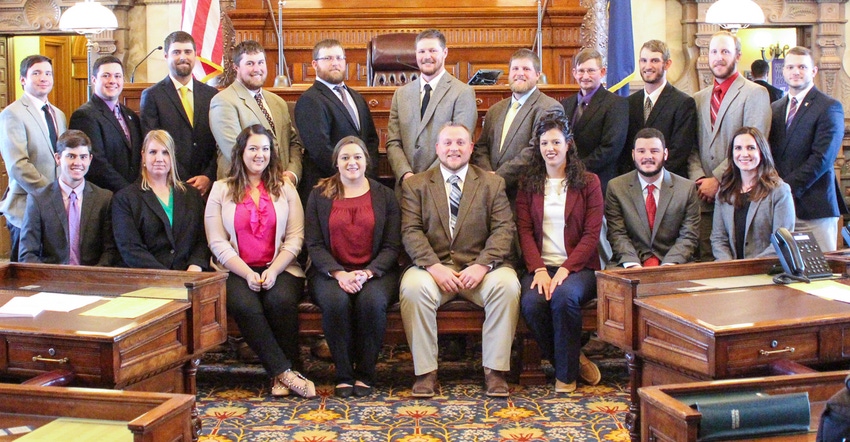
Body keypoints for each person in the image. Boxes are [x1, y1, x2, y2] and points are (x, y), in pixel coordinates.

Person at [399, 123, 519, 398]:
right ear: (437, 148)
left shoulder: (492, 183)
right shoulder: (416, 185)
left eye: (460, 143)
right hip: (433, 269)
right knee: (413, 288)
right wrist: (433, 266)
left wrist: (483, 264)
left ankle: (495, 371)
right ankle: (426, 372)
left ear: (471, 148)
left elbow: (504, 229)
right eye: (448, 143)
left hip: (480, 269)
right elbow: (411, 231)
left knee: (507, 286)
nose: (454, 148)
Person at [205, 125, 315, 398]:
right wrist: (246, 273)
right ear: (241, 152)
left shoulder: (286, 188)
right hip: (234, 269)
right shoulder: (221, 189)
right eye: (253, 148)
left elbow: (295, 237)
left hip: (281, 267)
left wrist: (274, 270)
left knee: (279, 301)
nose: (260, 155)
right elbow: (216, 241)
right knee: (246, 305)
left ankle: (282, 374)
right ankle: (285, 372)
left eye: (265, 149)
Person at [304, 136, 400, 398]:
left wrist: (368, 273)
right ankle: (344, 374)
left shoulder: (386, 197)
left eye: (357, 156)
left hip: (376, 272)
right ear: (336, 162)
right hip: (330, 272)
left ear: (367, 161)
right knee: (336, 302)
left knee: (371, 302)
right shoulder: (319, 195)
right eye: (345, 157)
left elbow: (392, 246)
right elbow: (313, 244)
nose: (351, 162)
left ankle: (366, 374)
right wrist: (339, 274)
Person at [516, 110, 603, 393]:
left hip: (579, 268)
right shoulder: (528, 183)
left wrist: (565, 269)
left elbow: (592, 234)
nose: (550, 149)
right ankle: (572, 359)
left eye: (555, 142)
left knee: (564, 298)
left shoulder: (590, 183)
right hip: (541, 266)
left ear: (568, 144)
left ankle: (565, 377)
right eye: (544, 144)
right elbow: (525, 231)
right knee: (531, 302)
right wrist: (539, 270)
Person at [689, 31, 771, 261]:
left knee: (738, 266)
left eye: (725, 51)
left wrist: (718, 179)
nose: (718, 57)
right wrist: (700, 180)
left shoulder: (755, 93)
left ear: (738, 55)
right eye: (713, 52)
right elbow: (692, 146)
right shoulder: (698, 98)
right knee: (707, 264)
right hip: (704, 199)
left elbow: (754, 143)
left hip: (739, 193)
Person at [769, 46, 846, 252]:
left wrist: (784, 189)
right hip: (781, 208)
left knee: (821, 273)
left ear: (813, 71)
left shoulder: (829, 106)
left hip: (814, 206)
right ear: (783, 71)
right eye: (791, 67)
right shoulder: (775, 108)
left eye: (802, 67)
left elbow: (822, 159)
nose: (796, 72)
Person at [386, 29, 477, 186]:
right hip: (406, 187)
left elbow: (459, 145)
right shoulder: (401, 94)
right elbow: (393, 142)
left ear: (445, 52)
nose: (427, 56)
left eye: (433, 50)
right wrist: (406, 174)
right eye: (421, 51)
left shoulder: (462, 92)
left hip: (443, 186)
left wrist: (426, 179)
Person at [294, 39, 379, 205]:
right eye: (328, 59)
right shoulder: (309, 100)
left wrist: (364, 175)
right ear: (314, 64)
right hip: (330, 190)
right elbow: (321, 150)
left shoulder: (356, 97)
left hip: (362, 186)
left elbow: (371, 139)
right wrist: (350, 176)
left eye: (339, 58)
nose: (335, 63)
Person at [0, 55, 67, 261]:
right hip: (26, 208)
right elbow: (19, 165)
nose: (43, 78)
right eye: (36, 73)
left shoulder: (59, 114)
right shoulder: (12, 113)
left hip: (55, 209)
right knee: (25, 276)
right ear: (23, 80)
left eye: (48, 73)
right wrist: (52, 194)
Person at [472, 48, 562, 200]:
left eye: (526, 69)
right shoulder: (495, 109)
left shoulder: (549, 108)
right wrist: (488, 176)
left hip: (525, 194)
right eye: (515, 68)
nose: (520, 73)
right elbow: (481, 147)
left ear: (537, 75)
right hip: (491, 193)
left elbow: (536, 150)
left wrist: (499, 177)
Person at [112, 130, 209, 271]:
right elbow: (130, 248)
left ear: (172, 157)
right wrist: (167, 277)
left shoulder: (191, 195)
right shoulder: (125, 199)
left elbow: (202, 238)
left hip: (191, 277)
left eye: (165, 152)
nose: (159, 158)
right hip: (148, 281)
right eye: (153, 152)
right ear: (143, 156)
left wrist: (196, 265)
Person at [210, 40, 302, 182]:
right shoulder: (223, 101)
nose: (257, 69)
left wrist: (291, 174)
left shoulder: (278, 102)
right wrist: (273, 178)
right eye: (250, 63)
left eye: (260, 62)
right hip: (243, 190)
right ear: (236, 67)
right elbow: (236, 152)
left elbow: (293, 143)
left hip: (283, 188)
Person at [606, 128, 700, 267]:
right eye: (641, 151)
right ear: (633, 154)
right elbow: (617, 234)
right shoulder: (616, 187)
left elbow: (688, 236)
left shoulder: (687, 188)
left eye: (654, 151)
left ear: (665, 154)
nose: (648, 156)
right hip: (631, 261)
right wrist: (633, 264)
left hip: (675, 262)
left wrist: (668, 266)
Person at [140, 31, 219, 197]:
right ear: (166, 56)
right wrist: (180, 178)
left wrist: (208, 176)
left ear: (195, 55)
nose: (183, 57)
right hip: (171, 185)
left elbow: (218, 142)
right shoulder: (152, 96)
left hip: (209, 186)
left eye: (188, 52)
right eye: (176, 52)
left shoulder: (211, 94)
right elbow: (153, 143)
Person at [20, 130, 116, 265]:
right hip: (51, 281)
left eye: (83, 157)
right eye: (71, 156)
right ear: (58, 158)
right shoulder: (38, 200)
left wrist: (91, 278)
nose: (78, 162)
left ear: (90, 159)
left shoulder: (104, 199)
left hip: (91, 280)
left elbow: (110, 251)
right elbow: (27, 254)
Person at [711, 127, 794, 260]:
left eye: (750, 148)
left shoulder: (780, 191)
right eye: (738, 148)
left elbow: (782, 240)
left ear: (762, 152)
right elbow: (718, 239)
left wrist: (748, 268)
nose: (744, 154)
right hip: (730, 273)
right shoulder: (724, 191)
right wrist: (728, 266)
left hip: (765, 271)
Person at [623, 40, 697, 178]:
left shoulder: (683, 103)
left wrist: (650, 178)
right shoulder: (629, 103)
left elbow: (679, 152)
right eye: (643, 60)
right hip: (633, 184)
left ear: (667, 64)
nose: (648, 66)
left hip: (668, 182)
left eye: (654, 60)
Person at [69, 55, 143, 192]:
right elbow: (96, 164)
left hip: (132, 195)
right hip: (105, 197)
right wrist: (128, 191)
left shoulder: (130, 115)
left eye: (117, 76)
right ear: (94, 80)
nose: (112, 81)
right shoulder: (84, 116)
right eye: (106, 75)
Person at [560, 48, 627, 194]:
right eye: (581, 71)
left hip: (598, 182)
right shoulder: (565, 104)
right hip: (567, 181)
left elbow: (611, 148)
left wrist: (577, 168)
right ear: (574, 73)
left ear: (602, 72)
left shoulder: (616, 104)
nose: (585, 76)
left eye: (591, 71)